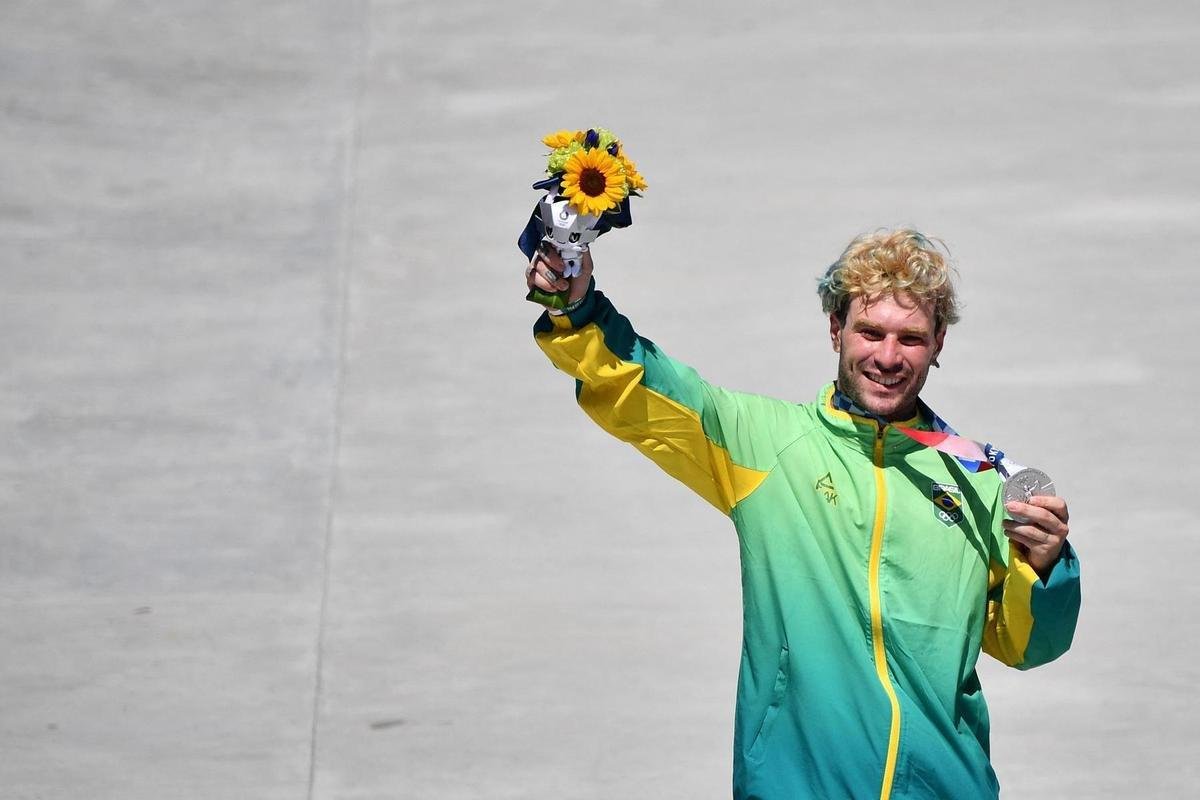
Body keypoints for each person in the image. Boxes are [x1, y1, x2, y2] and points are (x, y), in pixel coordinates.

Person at [524, 228, 1080, 799]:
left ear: (939, 343)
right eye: (870, 332)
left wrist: (1046, 569)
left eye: (911, 338)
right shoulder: (766, 444)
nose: (888, 357)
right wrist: (576, 309)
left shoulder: (978, 481)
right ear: (836, 329)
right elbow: (643, 386)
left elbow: (1027, 645)